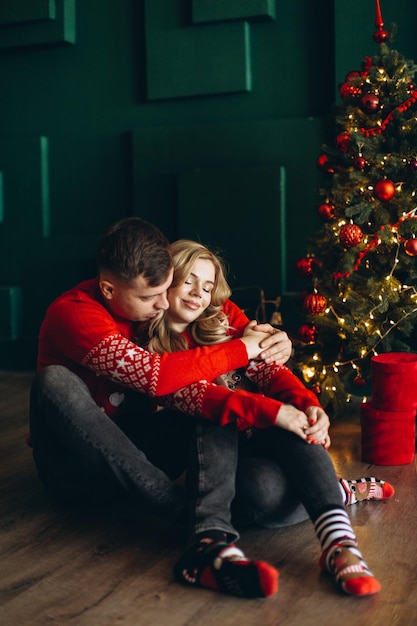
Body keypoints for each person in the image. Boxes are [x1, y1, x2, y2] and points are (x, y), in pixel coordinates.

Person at [28, 217, 293, 599]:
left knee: (204, 402)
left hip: (140, 451)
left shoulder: (152, 304)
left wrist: (272, 339)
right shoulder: (75, 313)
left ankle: (209, 540)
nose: (162, 304)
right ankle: (184, 517)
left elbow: (227, 316)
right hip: (74, 469)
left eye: (167, 289)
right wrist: (242, 348)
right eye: (151, 297)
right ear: (108, 288)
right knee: (53, 380)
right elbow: (155, 377)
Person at [143, 238, 395, 598]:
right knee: (262, 496)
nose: (199, 293)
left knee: (298, 426)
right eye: (188, 281)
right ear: (166, 279)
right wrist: (277, 413)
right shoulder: (151, 353)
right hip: (224, 460)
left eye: (208, 286)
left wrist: (309, 406)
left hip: (271, 437)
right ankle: (337, 490)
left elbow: (274, 376)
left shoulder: (227, 330)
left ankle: (340, 544)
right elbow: (197, 397)